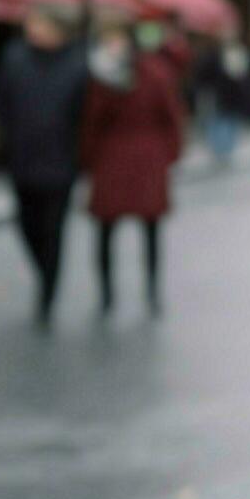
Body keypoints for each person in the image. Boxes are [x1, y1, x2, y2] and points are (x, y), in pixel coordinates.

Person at [81, 23, 185, 316]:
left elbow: (169, 116)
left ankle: (134, 293)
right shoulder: (115, 75)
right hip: (133, 160)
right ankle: (115, 294)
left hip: (126, 160)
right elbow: (173, 117)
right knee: (113, 231)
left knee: (142, 231)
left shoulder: (108, 75)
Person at [0, 5, 88, 326]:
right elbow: (1, 103)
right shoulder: (15, 58)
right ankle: (44, 271)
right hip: (22, 158)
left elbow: (84, 116)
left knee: (54, 231)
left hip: (61, 162)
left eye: (40, 23)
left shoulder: (77, 65)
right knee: (26, 224)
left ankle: (47, 293)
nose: (33, 29)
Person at [195, 34, 250, 163]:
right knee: (225, 121)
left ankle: (221, 149)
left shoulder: (216, 57)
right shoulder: (235, 56)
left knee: (222, 121)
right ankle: (223, 149)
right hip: (227, 96)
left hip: (223, 96)